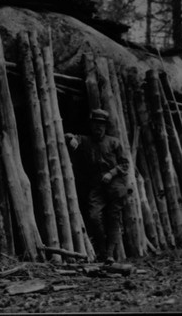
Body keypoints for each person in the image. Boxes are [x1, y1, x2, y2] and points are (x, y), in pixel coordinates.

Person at [65, 108, 129, 264]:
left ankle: (109, 255)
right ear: (91, 125)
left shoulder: (114, 142)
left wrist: (112, 173)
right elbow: (71, 137)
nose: (98, 127)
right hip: (97, 186)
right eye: (95, 124)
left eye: (101, 124)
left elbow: (125, 164)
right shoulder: (86, 140)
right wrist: (70, 137)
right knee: (94, 216)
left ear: (105, 126)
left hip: (115, 185)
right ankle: (101, 250)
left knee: (113, 218)